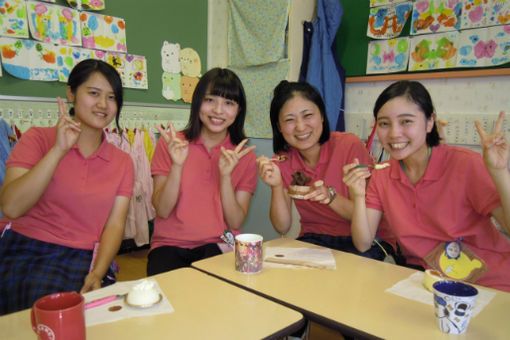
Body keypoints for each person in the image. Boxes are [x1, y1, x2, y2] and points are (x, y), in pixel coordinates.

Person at [343, 80, 510, 292]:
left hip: (491, 282)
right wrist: (357, 195)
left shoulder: (465, 163)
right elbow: (363, 243)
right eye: (384, 123)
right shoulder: (382, 174)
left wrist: (499, 172)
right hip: (429, 283)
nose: (394, 133)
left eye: (406, 121)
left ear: (430, 122)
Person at [0, 59, 135, 315]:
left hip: (83, 255)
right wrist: (59, 150)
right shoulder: (37, 138)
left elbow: (115, 224)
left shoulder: (123, 162)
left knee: (87, 312)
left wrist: (97, 271)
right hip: (24, 247)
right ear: (71, 93)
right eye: (93, 93)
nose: (103, 105)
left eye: (111, 97)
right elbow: (11, 206)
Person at [257, 80, 392, 259]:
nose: (300, 127)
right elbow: (282, 227)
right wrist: (276, 186)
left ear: (321, 115)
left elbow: (367, 220)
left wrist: (331, 197)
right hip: (314, 240)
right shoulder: (284, 158)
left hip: (365, 241)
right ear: (279, 127)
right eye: (289, 120)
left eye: (307, 115)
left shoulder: (348, 145)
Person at [147, 68, 257, 275]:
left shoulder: (244, 156)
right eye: (210, 100)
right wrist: (177, 166)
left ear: (239, 110)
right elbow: (162, 210)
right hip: (169, 244)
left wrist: (225, 176)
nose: (218, 110)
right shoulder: (171, 144)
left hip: (220, 243)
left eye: (228, 103)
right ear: (197, 103)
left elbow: (235, 222)